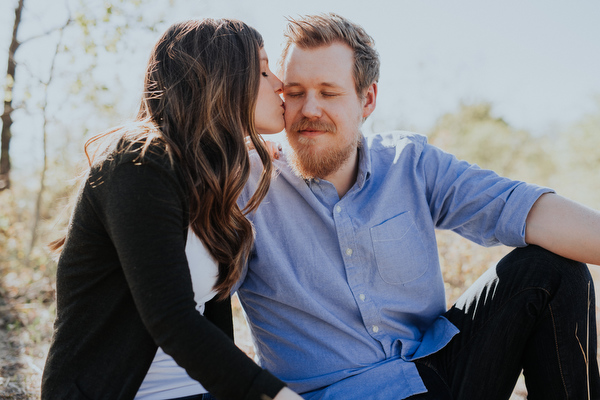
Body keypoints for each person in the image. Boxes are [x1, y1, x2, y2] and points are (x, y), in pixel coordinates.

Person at [235, 13, 600, 399]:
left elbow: (520, 206)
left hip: (438, 373)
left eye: (328, 93)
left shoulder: (408, 164)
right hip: (336, 393)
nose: (309, 109)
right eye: (295, 92)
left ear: (367, 99)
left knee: (551, 271)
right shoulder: (246, 185)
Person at [41, 19, 302, 400]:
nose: (280, 83)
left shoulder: (210, 176)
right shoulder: (137, 161)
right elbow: (171, 317)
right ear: (221, 79)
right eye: (263, 70)